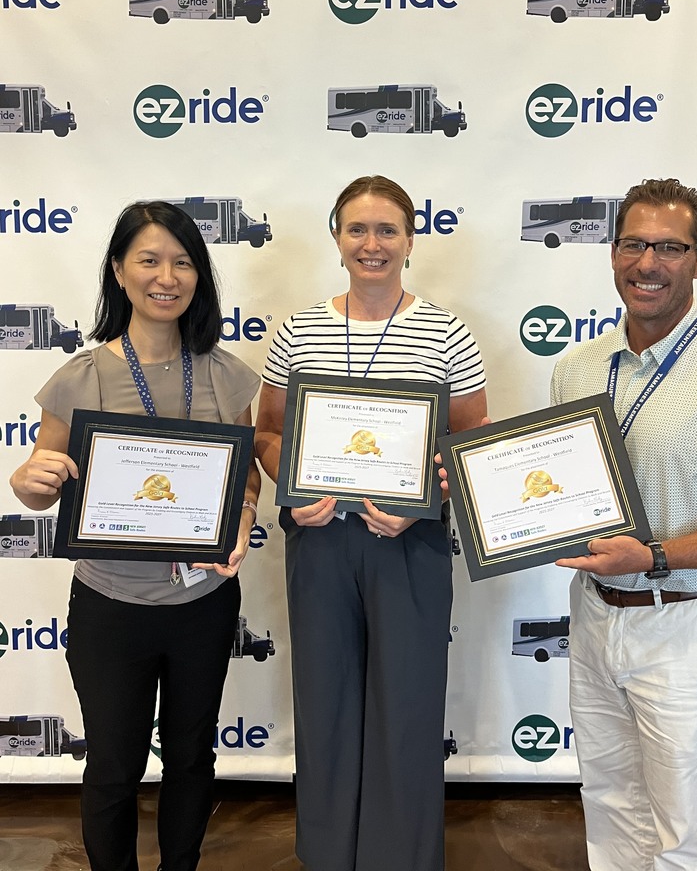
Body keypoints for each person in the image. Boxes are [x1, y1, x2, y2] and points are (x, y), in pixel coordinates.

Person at [10, 201, 261, 871]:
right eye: (149, 260)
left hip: (203, 603)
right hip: (110, 607)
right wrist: (28, 482)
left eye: (182, 262)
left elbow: (245, 479)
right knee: (113, 765)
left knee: (191, 757)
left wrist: (243, 516)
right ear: (119, 271)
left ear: (199, 276)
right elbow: (40, 484)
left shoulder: (226, 374)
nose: (166, 277)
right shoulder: (80, 377)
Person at [255, 175, 487, 871]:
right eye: (357, 229)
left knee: (407, 706)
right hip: (320, 538)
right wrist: (291, 489)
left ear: (411, 240)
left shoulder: (447, 333)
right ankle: (327, 856)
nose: (372, 244)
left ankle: (402, 858)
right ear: (337, 238)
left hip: (410, 542)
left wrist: (422, 499)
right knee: (324, 703)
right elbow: (268, 432)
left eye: (388, 230)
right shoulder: (298, 331)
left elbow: (470, 444)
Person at [550, 178, 697, 871]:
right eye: (634, 244)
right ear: (613, 252)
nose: (648, 263)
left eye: (669, 248)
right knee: (610, 803)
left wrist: (652, 557)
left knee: (683, 830)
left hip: (685, 625)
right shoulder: (576, 368)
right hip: (594, 614)